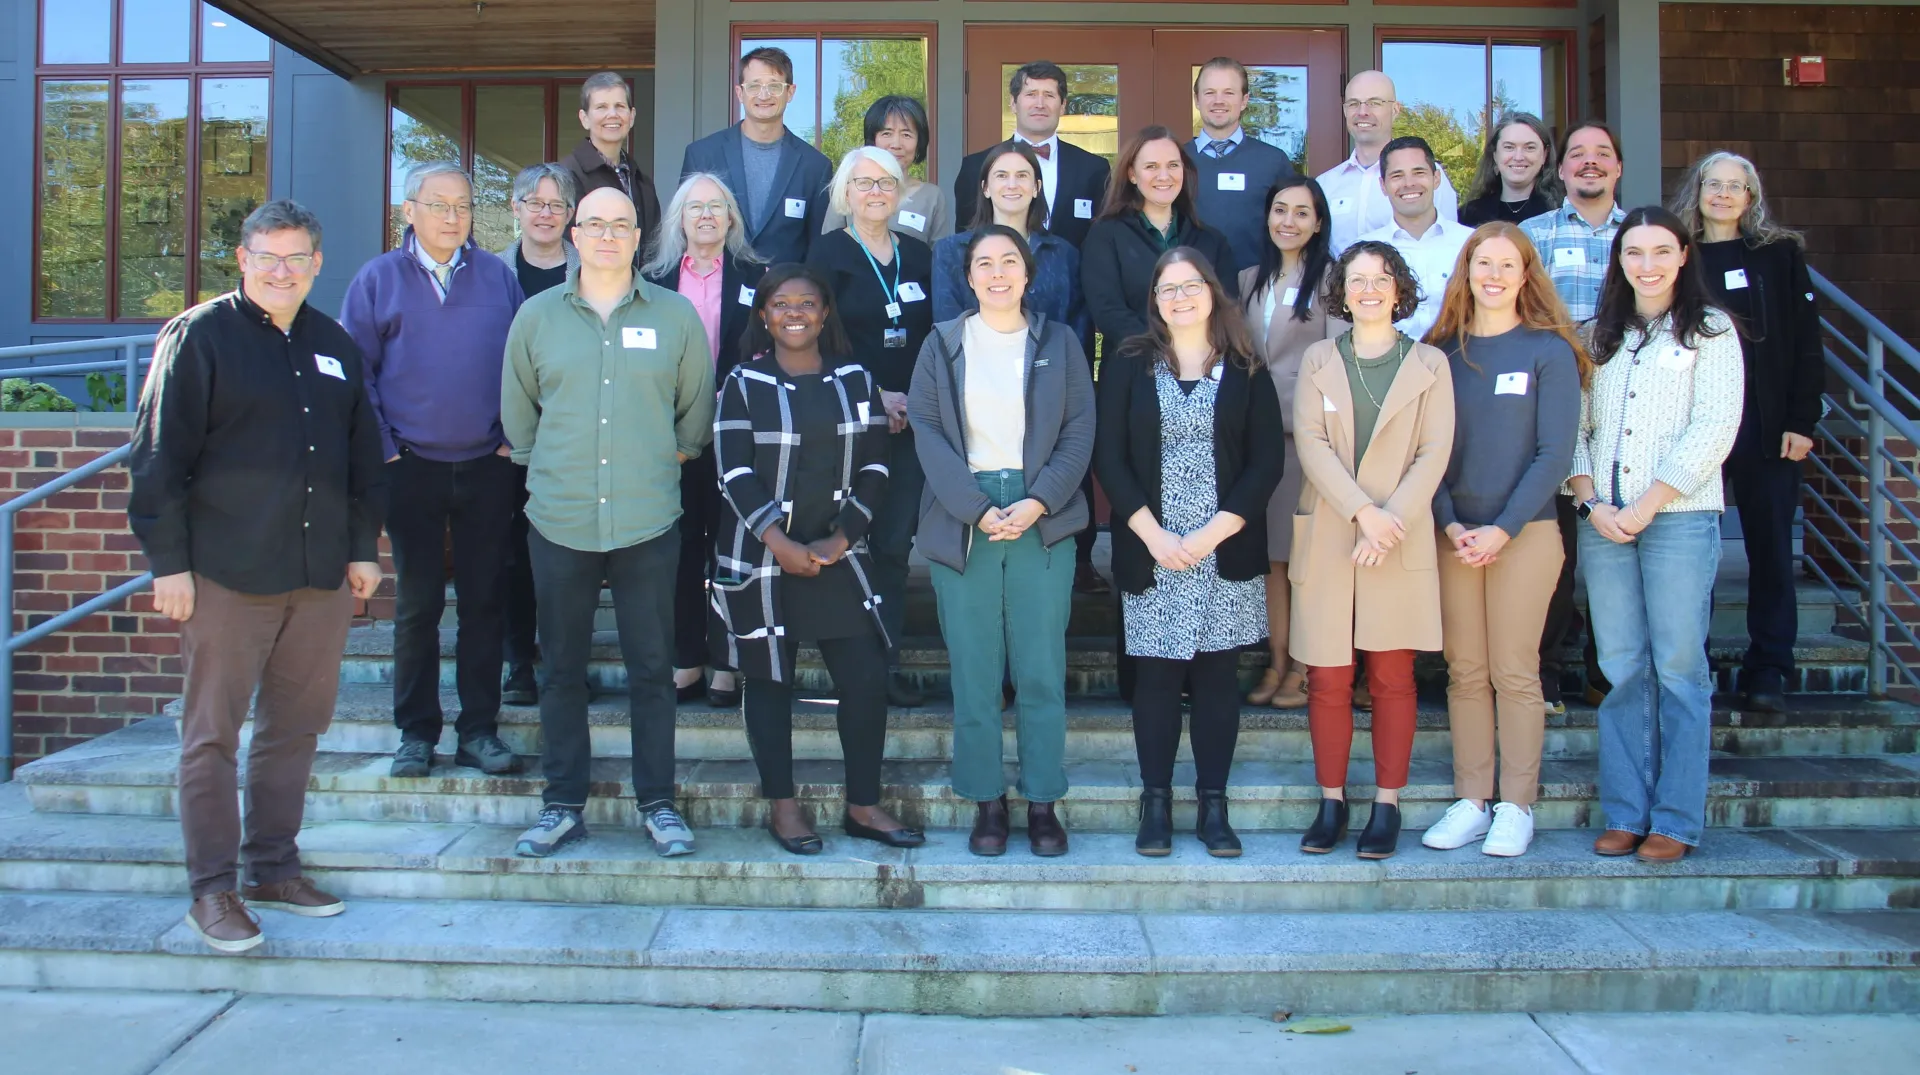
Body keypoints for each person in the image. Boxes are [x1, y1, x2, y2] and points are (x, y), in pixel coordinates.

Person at [129, 199, 385, 952]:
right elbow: (156, 458)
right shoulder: (199, 336)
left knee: (296, 728)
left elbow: (361, 457)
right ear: (242, 259)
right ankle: (212, 890)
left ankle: (274, 865)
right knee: (210, 734)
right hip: (225, 576)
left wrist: (362, 547)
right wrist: (168, 563)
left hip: (317, 578)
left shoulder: (334, 342)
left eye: (296, 257)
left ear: (316, 263)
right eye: (267, 256)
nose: (282, 270)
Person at [500, 187, 716, 859]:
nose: (606, 235)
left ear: (638, 236)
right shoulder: (536, 317)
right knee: (561, 669)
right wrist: (552, 466)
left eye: (620, 224)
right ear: (572, 232)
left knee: (653, 669)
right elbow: (519, 417)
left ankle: (658, 802)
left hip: (648, 517)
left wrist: (657, 457)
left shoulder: (676, 316)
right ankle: (563, 803)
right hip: (559, 518)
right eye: (594, 223)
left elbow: (694, 415)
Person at [713, 265, 925, 855]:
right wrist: (780, 542)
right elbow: (733, 472)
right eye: (782, 304)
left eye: (808, 302)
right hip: (764, 559)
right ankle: (784, 807)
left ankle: (863, 804)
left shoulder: (857, 380)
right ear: (763, 315)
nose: (796, 312)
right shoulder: (743, 382)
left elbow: (878, 465)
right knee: (769, 683)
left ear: (826, 312)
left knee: (863, 679)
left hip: (838, 558)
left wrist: (840, 539)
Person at [911, 226, 1096, 857]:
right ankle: (987, 800)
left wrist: (1040, 498)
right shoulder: (943, 342)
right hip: (964, 518)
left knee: (1042, 668)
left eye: (1008, 262)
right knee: (975, 669)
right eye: (983, 263)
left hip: (1043, 513)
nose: (996, 273)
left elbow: (1079, 429)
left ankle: (1043, 800)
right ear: (968, 277)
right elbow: (929, 432)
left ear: (1027, 273)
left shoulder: (1061, 341)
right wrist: (975, 508)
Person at [1095, 249, 1283, 859]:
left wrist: (1210, 535)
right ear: (1154, 299)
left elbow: (1266, 463)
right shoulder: (1128, 364)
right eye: (1167, 288)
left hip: (1221, 546)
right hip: (1152, 546)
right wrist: (1154, 534)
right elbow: (1111, 458)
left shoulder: (1247, 365)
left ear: (1212, 292)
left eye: (1191, 285)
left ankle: (1213, 806)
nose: (1179, 297)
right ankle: (1155, 806)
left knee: (1215, 678)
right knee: (1155, 677)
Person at [340, 161, 523, 780]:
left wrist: (511, 440)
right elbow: (355, 373)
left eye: (464, 206)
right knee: (416, 605)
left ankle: (479, 730)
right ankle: (416, 733)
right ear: (408, 210)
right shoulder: (377, 280)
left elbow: (528, 366)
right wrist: (386, 447)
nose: (452, 217)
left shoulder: (499, 277)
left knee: (483, 603)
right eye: (439, 204)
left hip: (487, 466)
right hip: (409, 466)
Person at [1573, 206, 1743, 862]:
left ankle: (1674, 817)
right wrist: (1591, 502)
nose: (1647, 265)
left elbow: (1714, 428)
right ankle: (1625, 809)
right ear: (1619, 261)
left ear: (1682, 257)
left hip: (1677, 517)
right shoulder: (1597, 336)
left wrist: (1646, 504)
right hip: (1603, 522)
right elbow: (1575, 430)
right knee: (1621, 668)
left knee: (1678, 667)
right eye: (1634, 253)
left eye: (1660, 252)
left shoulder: (1710, 331)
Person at [1419, 223, 1586, 859]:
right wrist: (1451, 522)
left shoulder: (1548, 351)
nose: (1493, 275)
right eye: (1482, 263)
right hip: (1454, 534)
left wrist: (1503, 528)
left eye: (1507, 265)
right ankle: (1471, 798)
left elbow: (1554, 454)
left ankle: (1516, 806)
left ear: (1525, 274)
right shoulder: (1439, 351)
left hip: (1527, 531)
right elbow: (1423, 449)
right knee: (1465, 671)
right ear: (1466, 270)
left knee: (1516, 672)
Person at [1291, 240, 1454, 860]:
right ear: (1342, 291)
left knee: (1391, 675)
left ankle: (1386, 804)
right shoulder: (1317, 360)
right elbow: (1310, 443)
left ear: (1398, 288)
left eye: (1380, 278)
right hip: (1334, 531)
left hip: (1398, 535)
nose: (1367, 289)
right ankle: (1331, 799)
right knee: (1328, 677)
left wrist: (1388, 520)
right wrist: (1361, 512)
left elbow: (1433, 453)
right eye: (1355, 279)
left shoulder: (1431, 365)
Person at [1671, 151, 1823, 713]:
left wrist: (1802, 420)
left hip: (1767, 423)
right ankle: (1694, 665)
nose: (1724, 194)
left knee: (1770, 549)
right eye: (1714, 184)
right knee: (1692, 549)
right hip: (1695, 424)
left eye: (1736, 186)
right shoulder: (1680, 255)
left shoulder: (1778, 255)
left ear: (1751, 197)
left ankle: (1769, 669)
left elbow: (1807, 339)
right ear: (1698, 190)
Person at [932, 141, 1101, 593]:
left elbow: (1078, 322)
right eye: (1001, 176)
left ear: (1037, 187)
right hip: (979, 402)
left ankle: (1073, 565)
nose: (1012, 184)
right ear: (984, 186)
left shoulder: (1063, 252)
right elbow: (946, 326)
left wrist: (1069, 387)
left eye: (1022, 176)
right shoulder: (951, 251)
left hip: (1050, 398)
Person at [806, 147, 938, 707]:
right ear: (846, 193)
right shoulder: (827, 252)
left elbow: (938, 331)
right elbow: (811, 336)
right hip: (850, 422)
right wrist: (876, 394)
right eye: (864, 183)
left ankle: (885, 665)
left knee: (892, 545)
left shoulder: (920, 254)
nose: (876, 192)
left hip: (910, 424)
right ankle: (848, 668)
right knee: (846, 538)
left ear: (901, 189)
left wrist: (916, 398)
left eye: (886, 181)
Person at [642, 172, 769, 711]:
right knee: (679, 549)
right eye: (695, 208)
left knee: (732, 549)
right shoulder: (651, 279)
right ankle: (686, 658)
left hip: (736, 432)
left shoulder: (758, 277)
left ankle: (727, 663)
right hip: (667, 434)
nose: (707, 216)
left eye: (717, 207)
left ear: (732, 218)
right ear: (679, 219)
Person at [1522, 121, 1628, 715]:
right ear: (1558, 171)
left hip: (1626, 411)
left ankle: (1611, 672)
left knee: (1619, 547)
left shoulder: (1641, 235)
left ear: (1617, 168)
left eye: (1602, 155)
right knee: (1556, 551)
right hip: (1553, 406)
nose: (1590, 164)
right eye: (1577, 156)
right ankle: (1547, 668)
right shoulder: (1532, 236)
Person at [1239, 177, 1341, 711]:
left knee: (1306, 559)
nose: (1289, 221)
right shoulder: (1247, 280)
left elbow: (1340, 363)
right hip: (1255, 440)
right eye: (1280, 210)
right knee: (1271, 561)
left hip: (1308, 440)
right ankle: (1277, 661)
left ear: (1318, 222)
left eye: (1302, 213)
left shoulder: (1332, 282)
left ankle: (1305, 666)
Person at [495, 163, 579, 707]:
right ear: (515, 208)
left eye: (556, 204)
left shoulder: (595, 268)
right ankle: (518, 661)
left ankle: (565, 661)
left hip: (576, 440)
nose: (545, 213)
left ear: (571, 215)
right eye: (535, 202)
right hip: (511, 444)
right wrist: (504, 434)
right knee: (515, 557)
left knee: (569, 560)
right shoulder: (488, 274)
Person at [1082, 126, 1240, 348]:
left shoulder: (1211, 241)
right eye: (1151, 167)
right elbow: (1108, 312)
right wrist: (1166, 349)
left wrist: (1192, 353)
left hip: (1201, 368)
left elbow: (1228, 309)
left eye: (1173, 165)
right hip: (1132, 369)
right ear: (1132, 175)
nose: (1164, 176)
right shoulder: (1106, 235)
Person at [680, 46, 833, 266]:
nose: (764, 95)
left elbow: (818, 246)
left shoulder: (815, 166)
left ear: (790, 92)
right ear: (739, 92)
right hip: (716, 290)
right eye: (754, 86)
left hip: (784, 294)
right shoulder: (702, 155)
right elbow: (684, 230)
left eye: (774, 86)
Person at [953, 62, 1112, 250]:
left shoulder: (1093, 169)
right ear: (1013, 103)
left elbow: (1101, 241)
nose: (1040, 104)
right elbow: (964, 241)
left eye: (1049, 95)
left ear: (1062, 106)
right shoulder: (975, 166)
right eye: (1031, 94)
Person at [1317, 70, 1460, 255]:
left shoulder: (1425, 179)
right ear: (1345, 110)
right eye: (1353, 104)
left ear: (1395, 110)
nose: (1362, 112)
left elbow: (1449, 244)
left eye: (1374, 103)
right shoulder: (1326, 184)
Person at [1189, 57, 1300, 275]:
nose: (1218, 100)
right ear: (1197, 100)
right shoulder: (1176, 162)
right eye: (1210, 92)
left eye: (1228, 93)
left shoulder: (1273, 161)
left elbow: (1295, 225)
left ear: (1244, 100)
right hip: (1191, 291)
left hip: (1257, 291)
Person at [1357, 136, 1471, 344]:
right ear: (1383, 185)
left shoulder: (1470, 244)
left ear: (1436, 179)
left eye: (1419, 172)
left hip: (1461, 366)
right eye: (1397, 175)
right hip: (1388, 371)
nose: (1409, 183)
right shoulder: (1363, 252)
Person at [822, 95, 953, 244]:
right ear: (873, 139)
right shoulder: (851, 187)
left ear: (919, 143)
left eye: (906, 134)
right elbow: (828, 247)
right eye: (887, 134)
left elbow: (941, 259)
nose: (896, 144)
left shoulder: (932, 197)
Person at [564, 71, 663, 247]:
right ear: (584, 118)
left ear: (631, 117)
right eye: (601, 107)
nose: (612, 114)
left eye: (619, 106)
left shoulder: (642, 183)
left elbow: (652, 251)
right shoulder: (565, 177)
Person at [1458, 113, 1560, 227]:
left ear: (1545, 155)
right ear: (1495, 154)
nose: (1518, 157)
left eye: (1530, 148)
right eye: (1509, 147)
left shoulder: (1560, 213)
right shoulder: (1468, 216)